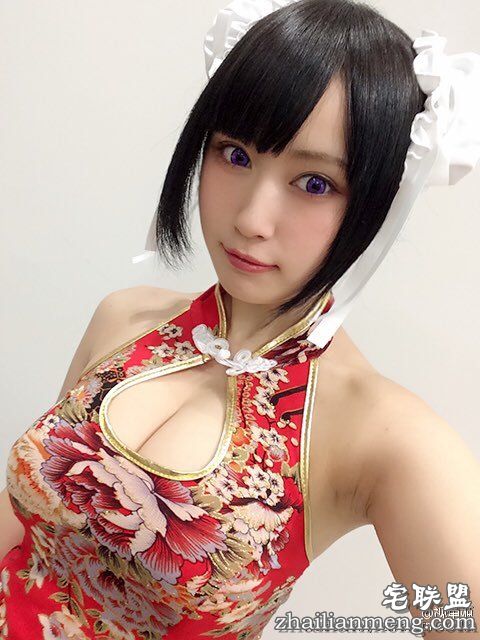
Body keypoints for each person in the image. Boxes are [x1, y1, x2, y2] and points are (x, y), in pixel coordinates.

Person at [1, 0, 479, 638]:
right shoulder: (125, 317)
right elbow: (24, 523)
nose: (252, 218)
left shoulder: (383, 436)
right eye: (235, 154)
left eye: (315, 183)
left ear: (383, 200)